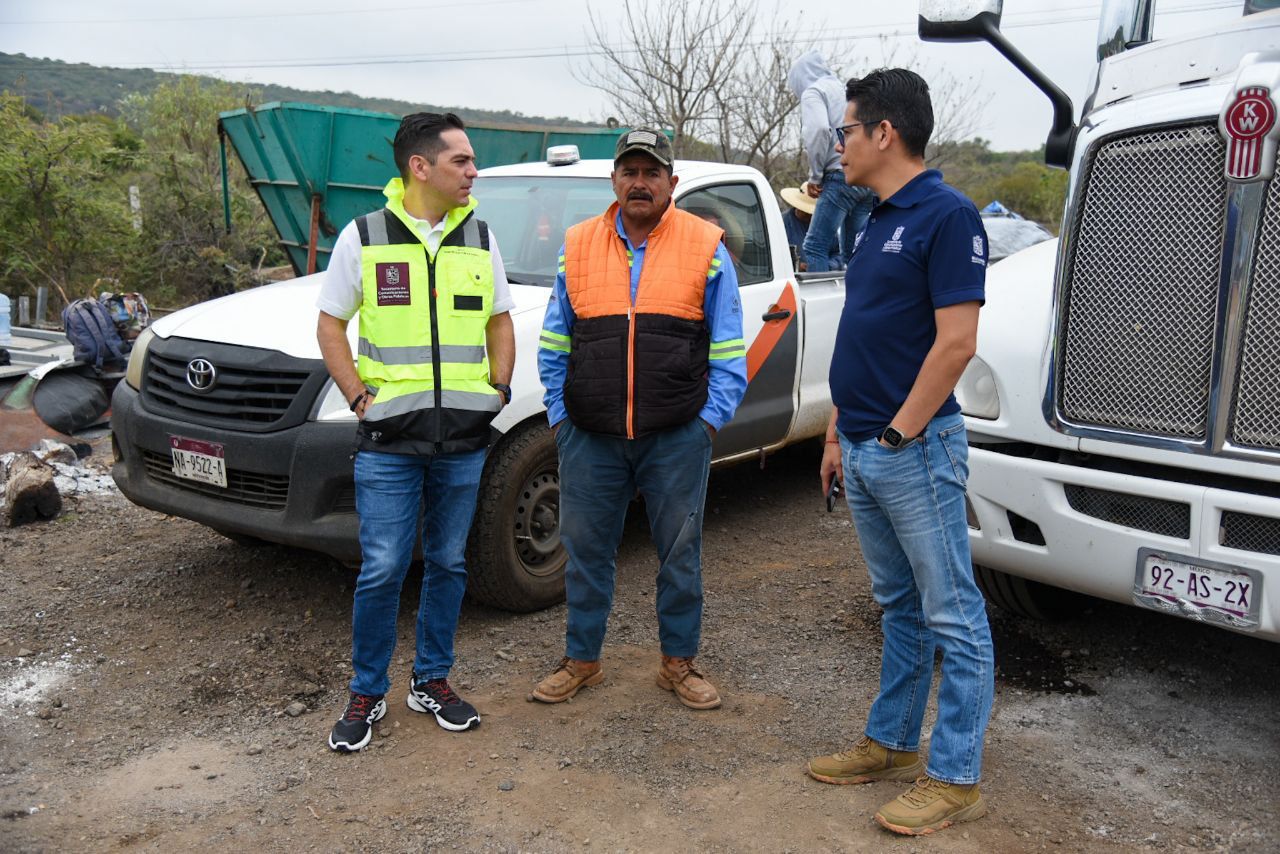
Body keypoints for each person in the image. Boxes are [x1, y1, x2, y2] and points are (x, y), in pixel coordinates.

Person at [808, 69, 994, 836]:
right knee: (900, 608)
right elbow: (871, 334)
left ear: (884, 133)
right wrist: (837, 431)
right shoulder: (875, 217)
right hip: (863, 442)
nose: (837, 146)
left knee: (953, 614)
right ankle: (889, 742)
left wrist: (894, 434)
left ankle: (953, 776)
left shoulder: (948, 216)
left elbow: (956, 345)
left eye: (846, 131)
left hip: (912, 450)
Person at [316, 112, 516, 752]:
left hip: (462, 440)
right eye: (462, 160)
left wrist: (499, 391)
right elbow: (330, 325)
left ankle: (431, 679)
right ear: (420, 167)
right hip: (388, 443)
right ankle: (367, 689)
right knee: (381, 568)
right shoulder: (365, 237)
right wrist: (356, 395)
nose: (473, 172)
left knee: (450, 564)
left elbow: (500, 322)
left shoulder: (480, 238)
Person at [532, 128, 747, 710]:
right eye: (629, 172)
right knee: (585, 553)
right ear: (614, 181)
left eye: (652, 173)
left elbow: (729, 349)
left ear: (671, 183)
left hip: (676, 435)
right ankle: (583, 661)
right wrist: (560, 415)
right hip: (590, 437)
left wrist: (707, 423)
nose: (640, 183)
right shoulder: (577, 245)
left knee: (680, 554)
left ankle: (678, 663)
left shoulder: (706, 245)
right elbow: (555, 340)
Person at [787, 50, 876, 272]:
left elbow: (818, 131)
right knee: (854, 249)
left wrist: (815, 176)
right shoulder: (844, 91)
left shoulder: (813, 92)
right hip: (866, 177)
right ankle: (857, 296)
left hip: (840, 175)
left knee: (815, 246)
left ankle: (821, 306)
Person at [779, 182, 841, 271]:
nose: (809, 215)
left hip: (822, 281)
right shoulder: (781, 224)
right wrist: (795, 266)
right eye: (806, 212)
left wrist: (825, 266)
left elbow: (838, 254)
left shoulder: (826, 225)